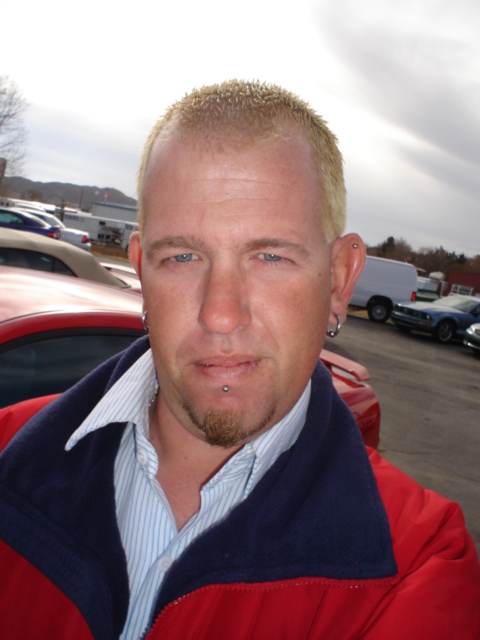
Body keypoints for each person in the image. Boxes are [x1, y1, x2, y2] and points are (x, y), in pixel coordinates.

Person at [0, 80, 479, 640]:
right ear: (142, 271)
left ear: (338, 280)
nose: (221, 315)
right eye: (183, 256)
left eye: (270, 256)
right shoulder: (8, 451)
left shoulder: (419, 564)